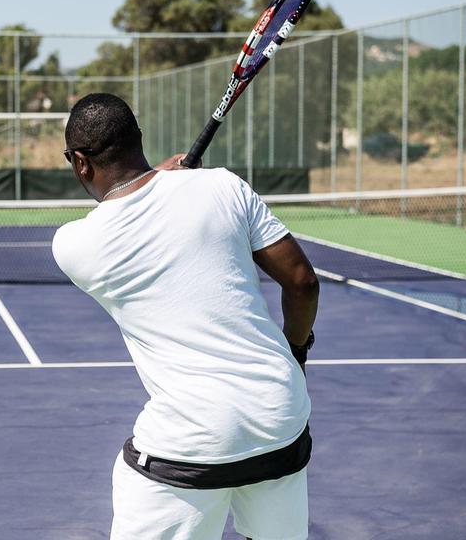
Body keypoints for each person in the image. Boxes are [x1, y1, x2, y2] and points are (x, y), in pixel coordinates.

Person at [52, 93, 319, 540]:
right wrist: (295, 352)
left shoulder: (74, 246)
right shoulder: (223, 186)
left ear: (80, 163)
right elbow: (302, 282)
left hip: (191, 440)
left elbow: (131, 215)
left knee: (138, 473)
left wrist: (160, 179)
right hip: (281, 415)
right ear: (139, 140)